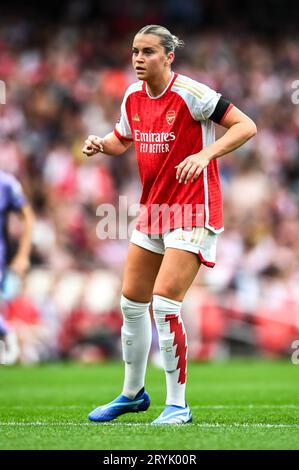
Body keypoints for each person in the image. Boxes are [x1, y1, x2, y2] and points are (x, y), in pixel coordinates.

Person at [82, 25, 256, 425]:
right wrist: (99, 144)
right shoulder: (132, 96)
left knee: (164, 304)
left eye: (147, 52)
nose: (138, 59)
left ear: (168, 56)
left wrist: (206, 155)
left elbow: (246, 125)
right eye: (134, 52)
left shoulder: (193, 94)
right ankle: (132, 394)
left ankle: (178, 405)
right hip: (154, 211)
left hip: (194, 209)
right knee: (131, 302)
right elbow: (122, 138)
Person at [0, 170, 34, 364]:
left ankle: (6, 332)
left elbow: (27, 216)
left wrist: (22, 255)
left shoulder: (6, 183)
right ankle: (6, 331)